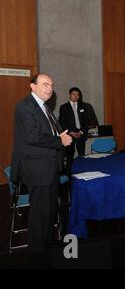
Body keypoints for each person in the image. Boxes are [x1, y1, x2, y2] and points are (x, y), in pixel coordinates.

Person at [10, 74, 72, 251]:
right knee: (39, 214)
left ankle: (46, 245)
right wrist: (59, 140)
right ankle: (37, 253)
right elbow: (32, 136)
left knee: (50, 210)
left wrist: (63, 136)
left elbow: (53, 132)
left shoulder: (44, 107)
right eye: (45, 85)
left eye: (51, 85)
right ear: (32, 86)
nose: (50, 89)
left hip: (49, 167)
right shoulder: (25, 106)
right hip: (37, 169)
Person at [59, 87, 89, 173]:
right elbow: (62, 122)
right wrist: (71, 132)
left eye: (77, 95)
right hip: (69, 135)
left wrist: (80, 132)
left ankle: (83, 172)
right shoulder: (64, 107)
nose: (75, 96)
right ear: (70, 95)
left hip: (81, 134)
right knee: (69, 156)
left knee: (82, 155)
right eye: (73, 94)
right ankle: (69, 175)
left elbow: (86, 121)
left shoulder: (84, 106)